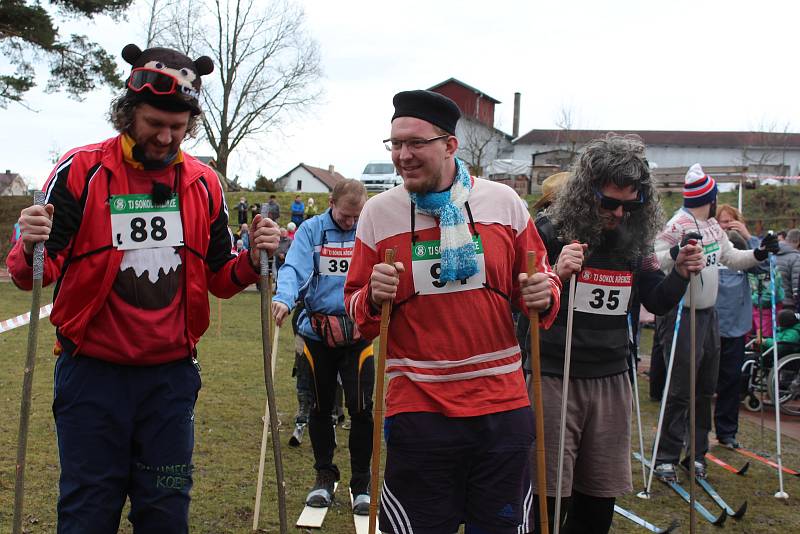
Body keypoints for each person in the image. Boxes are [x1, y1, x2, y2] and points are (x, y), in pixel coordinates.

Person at [6, 44, 280, 532]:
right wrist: (29, 246)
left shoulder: (204, 183)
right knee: (88, 509)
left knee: (166, 509)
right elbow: (37, 274)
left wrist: (252, 260)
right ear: (128, 112)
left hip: (169, 380)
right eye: (155, 123)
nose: (166, 136)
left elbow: (220, 278)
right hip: (91, 373)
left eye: (178, 127)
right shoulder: (80, 170)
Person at [344, 89, 562, 533]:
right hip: (419, 409)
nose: (403, 156)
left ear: (449, 146)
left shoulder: (503, 204)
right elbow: (359, 314)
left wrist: (544, 293)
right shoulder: (378, 215)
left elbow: (540, 284)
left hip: (501, 409)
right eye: (396, 144)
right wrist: (372, 293)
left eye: (416, 144)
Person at [519, 134, 703, 534]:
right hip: (554, 376)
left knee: (599, 495)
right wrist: (556, 273)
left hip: (611, 378)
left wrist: (682, 274)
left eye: (630, 204)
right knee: (549, 496)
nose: (619, 213)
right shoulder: (549, 231)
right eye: (609, 203)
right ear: (588, 193)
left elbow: (656, 300)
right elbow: (519, 304)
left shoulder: (633, 239)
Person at [653, 164, 779, 481]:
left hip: (710, 315)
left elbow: (732, 256)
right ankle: (666, 456)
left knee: (705, 388)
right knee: (681, 388)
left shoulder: (711, 226)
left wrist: (759, 254)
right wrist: (678, 249)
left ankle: (696, 454)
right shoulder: (678, 224)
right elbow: (654, 258)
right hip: (682, 313)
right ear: (708, 196)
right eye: (714, 196)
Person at [271, 179, 374, 515]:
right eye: (345, 216)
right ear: (331, 202)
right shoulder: (311, 231)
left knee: (360, 408)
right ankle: (324, 476)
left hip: (358, 334)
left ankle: (361, 483)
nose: (350, 223)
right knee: (320, 407)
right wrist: (285, 299)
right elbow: (295, 268)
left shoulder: (367, 228)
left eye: (355, 217)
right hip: (318, 334)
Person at [713, 204, 763, 450]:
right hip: (708, 324)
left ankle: (727, 432)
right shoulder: (711, 246)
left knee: (731, 380)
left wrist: (747, 235)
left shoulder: (743, 249)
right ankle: (693, 432)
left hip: (735, 326)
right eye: (722, 222)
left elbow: (764, 268)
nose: (727, 227)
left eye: (731, 222)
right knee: (701, 382)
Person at [775, 228, 800, 312]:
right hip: (790, 305)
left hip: (772, 302)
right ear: (798, 242)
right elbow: (796, 286)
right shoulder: (796, 258)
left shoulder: (772, 254)